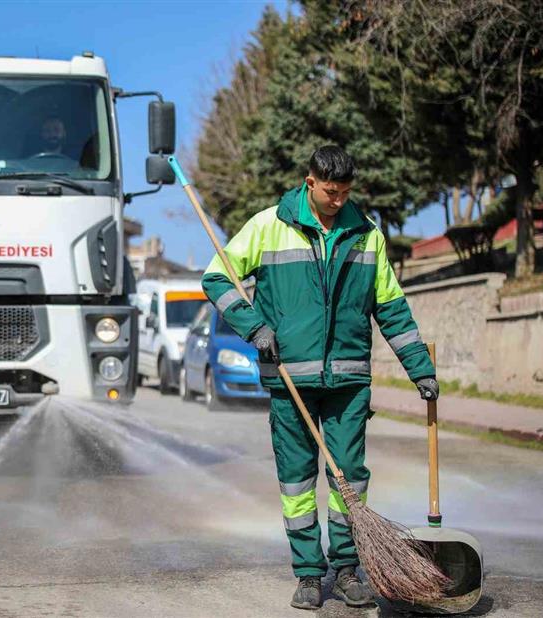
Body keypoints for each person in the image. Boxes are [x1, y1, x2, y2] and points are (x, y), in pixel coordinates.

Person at [201, 145, 439, 610]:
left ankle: (348, 569)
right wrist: (255, 327)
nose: (338, 200)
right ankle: (309, 574)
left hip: (349, 383)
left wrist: (421, 370)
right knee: (297, 481)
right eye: (331, 192)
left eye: (346, 191)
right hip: (290, 378)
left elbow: (390, 307)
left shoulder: (365, 234)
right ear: (310, 183)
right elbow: (216, 278)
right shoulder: (267, 226)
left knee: (350, 478)